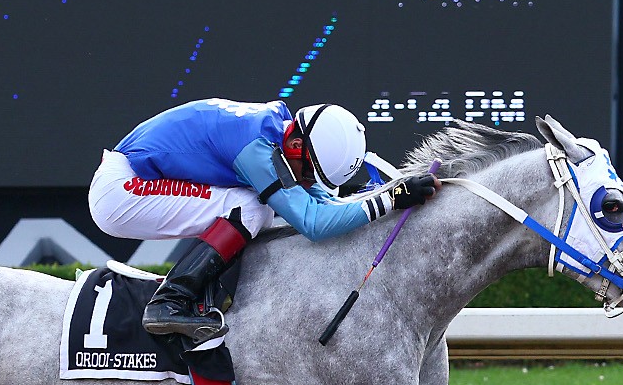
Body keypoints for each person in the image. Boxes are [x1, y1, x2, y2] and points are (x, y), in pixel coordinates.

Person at [89, 98, 441, 342]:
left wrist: (386, 194)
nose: (307, 182)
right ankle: (170, 302)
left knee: (260, 207)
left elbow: (323, 200)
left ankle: (205, 297)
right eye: (308, 173)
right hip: (122, 189)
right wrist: (390, 199)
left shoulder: (285, 136)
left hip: (139, 178)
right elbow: (314, 223)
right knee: (254, 208)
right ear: (298, 147)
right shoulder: (256, 149)